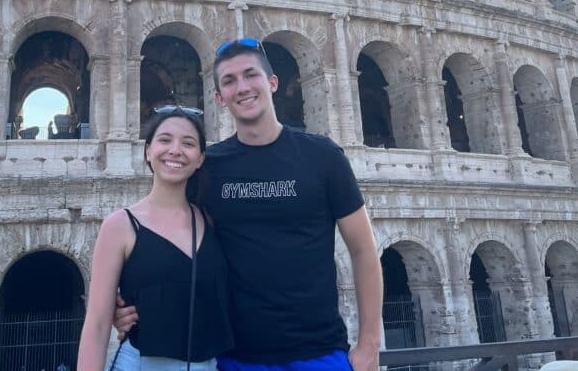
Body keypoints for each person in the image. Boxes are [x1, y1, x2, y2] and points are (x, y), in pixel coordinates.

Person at [117, 38, 383, 371]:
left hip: (319, 351)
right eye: (229, 81)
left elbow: (363, 249)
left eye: (250, 75)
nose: (241, 87)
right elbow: (167, 238)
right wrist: (125, 301)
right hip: (233, 357)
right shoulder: (207, 166)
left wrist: (370, 344)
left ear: (272, 83)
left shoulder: (324, 156)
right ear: (219, 97)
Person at [78, 106, 233, 371]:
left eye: (188, 143)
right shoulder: (120, 225)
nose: (175, 150)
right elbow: (97, 324)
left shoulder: (209, 221)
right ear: (148, 151)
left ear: (200, 159)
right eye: (164, 140)